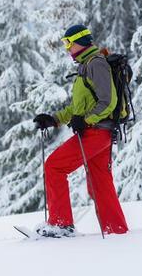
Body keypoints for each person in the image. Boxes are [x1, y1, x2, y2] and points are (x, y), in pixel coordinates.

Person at [33, 24, 128, 238]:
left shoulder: (96, 64)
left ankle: (61, 224)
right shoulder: (86, 66)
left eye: (68, 43)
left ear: (80, 42)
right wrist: (53, 119)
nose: (66, 48)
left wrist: (86, 121)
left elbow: (108, 102)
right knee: (99, 182)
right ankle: (116, 231)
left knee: (54, 166)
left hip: (96, 133)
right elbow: (77, 110)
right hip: (97, 132)